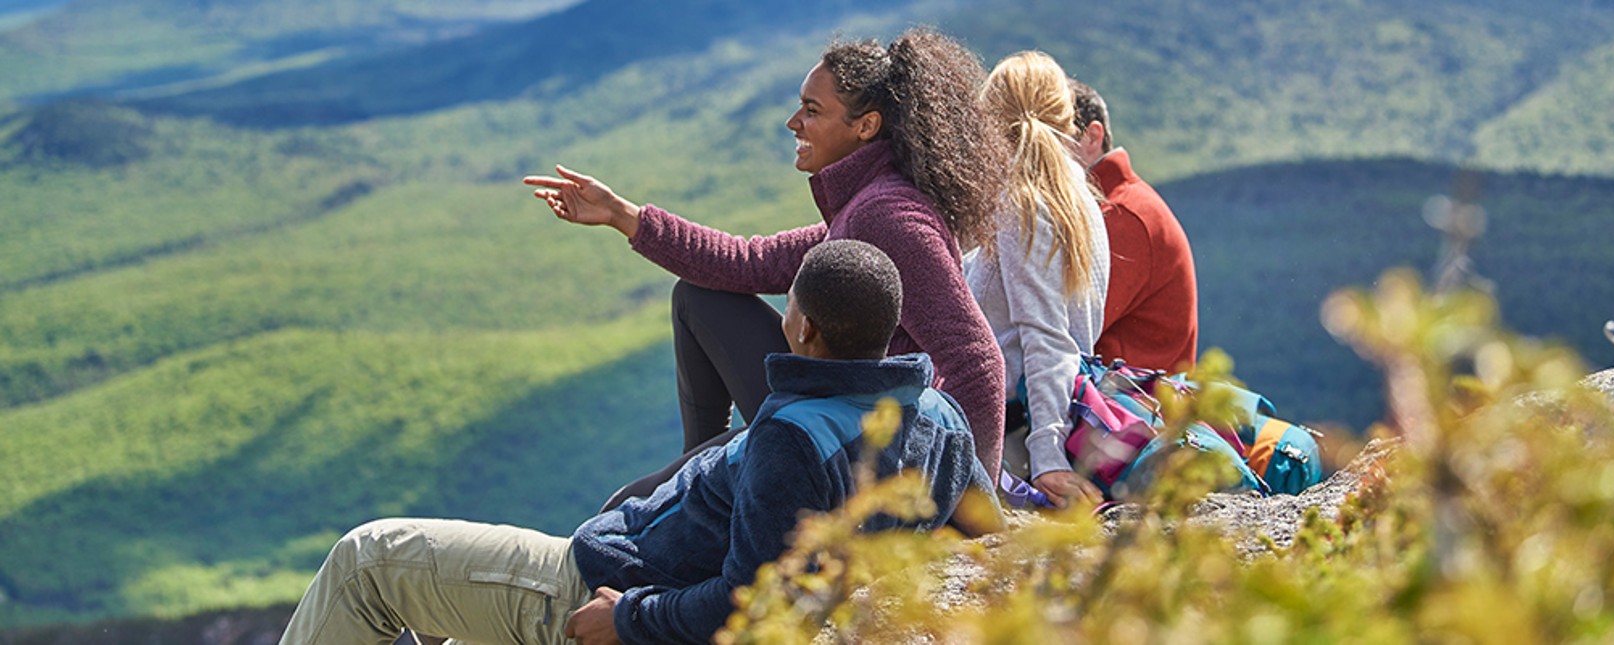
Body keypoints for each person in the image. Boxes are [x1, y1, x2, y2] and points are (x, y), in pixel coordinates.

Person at [277, 240, 999, 645]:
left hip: (593, 587)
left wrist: (624, 617)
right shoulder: (939, 418)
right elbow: (989, 530)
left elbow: (749, 600)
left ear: (803, 327)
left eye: (791, 308)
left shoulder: (793, 437)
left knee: (366, 561)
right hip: (633, 576)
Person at [524, 28, 1009, 492]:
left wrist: (968, 505)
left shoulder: (888, 217)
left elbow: (976, 361)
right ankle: (704, 471)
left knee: (625, 507)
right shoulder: (861, 209)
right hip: (835, 411)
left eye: (811, 110)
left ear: (866, 126)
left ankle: (704, 476)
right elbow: (746, 262)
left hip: (859, 442)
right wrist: (621, 214)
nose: (793, 123)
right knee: (698, 296)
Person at [968, 51, 1111, 509]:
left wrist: (1049, 457)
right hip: (1043, 419)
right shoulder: (1078, 197)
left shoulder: (1024, 203)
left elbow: (1047, 335)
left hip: (1013, 439)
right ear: (1066, 117)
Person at [1068, 78, 1198, 374]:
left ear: (1092, 137)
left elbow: (1067, 331)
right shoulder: (1124, 204)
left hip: (1128, 411)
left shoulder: (1121, 214)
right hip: (1126, 406)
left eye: (1051, 136)